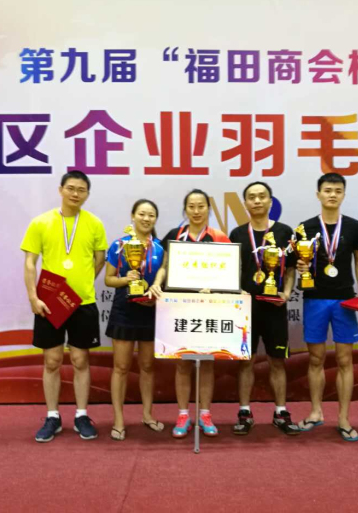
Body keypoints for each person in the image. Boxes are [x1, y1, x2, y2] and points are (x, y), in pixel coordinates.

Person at [21, 170, 108, 443]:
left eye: (81, 190)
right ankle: (52, 416)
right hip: (49, 302)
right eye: (71, 188)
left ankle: (82, 415)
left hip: (83, 303)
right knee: (52, 360)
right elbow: (30, 263)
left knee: (81, 360)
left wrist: (82, 284)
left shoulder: (94, 224)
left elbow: (100, 259)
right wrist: (33, 297)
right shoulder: (41, 222)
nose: (75, 194)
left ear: (87, 194)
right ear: (60, 190)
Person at [295, 173, 358, 442]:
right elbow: (297, 263)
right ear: (318, 194)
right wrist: (301, 266)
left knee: (344, 360)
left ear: (343, 195)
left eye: (338, 190)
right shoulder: (305, 228)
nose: (332, 195)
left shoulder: (354, 226)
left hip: (344, 300)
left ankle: (344, 418)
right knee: (315, 359)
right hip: (315, 298)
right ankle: (316, 412)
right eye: (327, 190)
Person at [228, 181, 301, 436]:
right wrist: (236, 291)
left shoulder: (284, 232)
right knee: (245, 362)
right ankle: (244, 412)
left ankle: (281, 412)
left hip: (274, 308)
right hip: (245, 309)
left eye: (262, 196)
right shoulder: (237, 234)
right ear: (245, 203)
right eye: (252, 197)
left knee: (277, 361)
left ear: (270, 201)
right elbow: (230, 270)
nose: (257, 201)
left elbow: (290, 269)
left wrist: (287, 293)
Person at [157, 189, 230, 438]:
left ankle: (205, 414)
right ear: (185, 209)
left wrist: (217, 287)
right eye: (191, 206)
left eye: (201, 206)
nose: (196, 211)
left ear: (208, 209)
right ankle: (183, 414)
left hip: (210, 307)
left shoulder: (219, 237)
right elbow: (164, 266)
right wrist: (157, 283)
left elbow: (230, 272)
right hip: (180, 306)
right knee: (183, 363)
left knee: (207, 363)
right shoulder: (174, 236)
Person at [104, 199, 165, 441]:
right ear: (133, 215)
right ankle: (118, 420)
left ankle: (147, 415)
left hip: (149, 309)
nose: (146, 218)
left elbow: (162, 273)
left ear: (155, 219)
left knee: (148, 367)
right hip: (124, 310)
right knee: (120, 367)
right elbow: (108, 279)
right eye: (142, 214)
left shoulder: (159, 248)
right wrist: (126, 279)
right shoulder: (119, 246)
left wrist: (156, 286)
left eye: (151, 215)